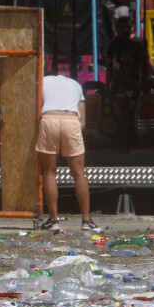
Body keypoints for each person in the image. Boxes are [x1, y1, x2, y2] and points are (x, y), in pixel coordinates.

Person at [36, 74, 101, 233]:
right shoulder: (76, 85)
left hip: (48, 120)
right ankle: (86, 220)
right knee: (79, 173)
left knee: (49, 172)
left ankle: (53, 220)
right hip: (72, 121)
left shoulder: (42, 82)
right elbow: (83, 122)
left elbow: (36, 110)